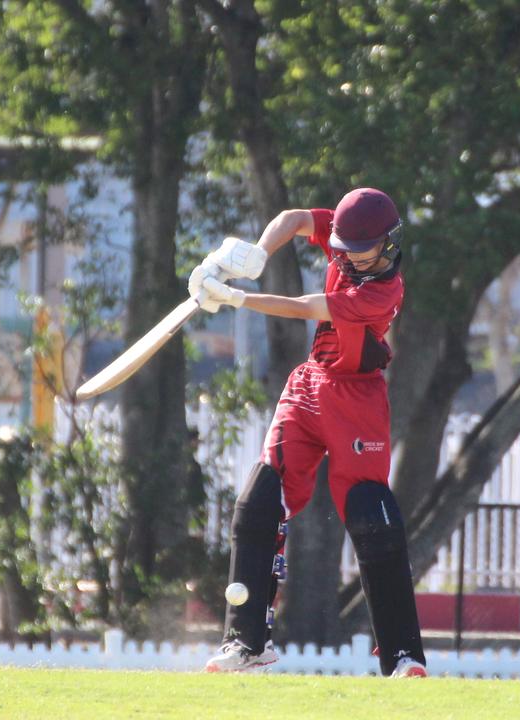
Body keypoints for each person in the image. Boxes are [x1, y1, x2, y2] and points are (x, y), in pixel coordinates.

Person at [188, 188, 426, 677]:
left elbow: (306, 307)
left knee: (370, 512)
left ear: (388, 243)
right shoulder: (343, 238)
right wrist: (256, 253)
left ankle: (402, 655)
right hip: (309, 385)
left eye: (361, 251)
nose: (350, 259)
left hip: (358, 399)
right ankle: (246, 642)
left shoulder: (384, 290)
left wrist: (237, 297)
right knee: (260, 498)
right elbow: (295, 217)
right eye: (343, 250)